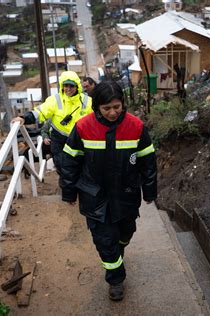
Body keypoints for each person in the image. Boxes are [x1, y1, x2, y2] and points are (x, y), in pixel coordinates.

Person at [60, 80, 157, 301]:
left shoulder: (136, 127)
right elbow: (69, 162)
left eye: (117, 107)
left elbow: (148, 162)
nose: (113, 112)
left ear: (123, 103)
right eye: (107, 108)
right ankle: (116, 280)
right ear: (96, 107)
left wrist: (150, 191)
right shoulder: (83, 127)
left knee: (125, 233)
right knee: (105, 241)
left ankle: (118, 251)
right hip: (95, 196)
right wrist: (68, 192)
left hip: (127, 194)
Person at [11, 71, 93, 174]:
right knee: (63, 170)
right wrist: (24, 118)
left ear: (77, 86)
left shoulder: (88, 101)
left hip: (80, 140)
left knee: (80, 169)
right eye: (65, 85)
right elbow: (40, 112)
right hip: (60, 141)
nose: (68, 89)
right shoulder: (55, 100)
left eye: (71, 86)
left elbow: (97, 117)